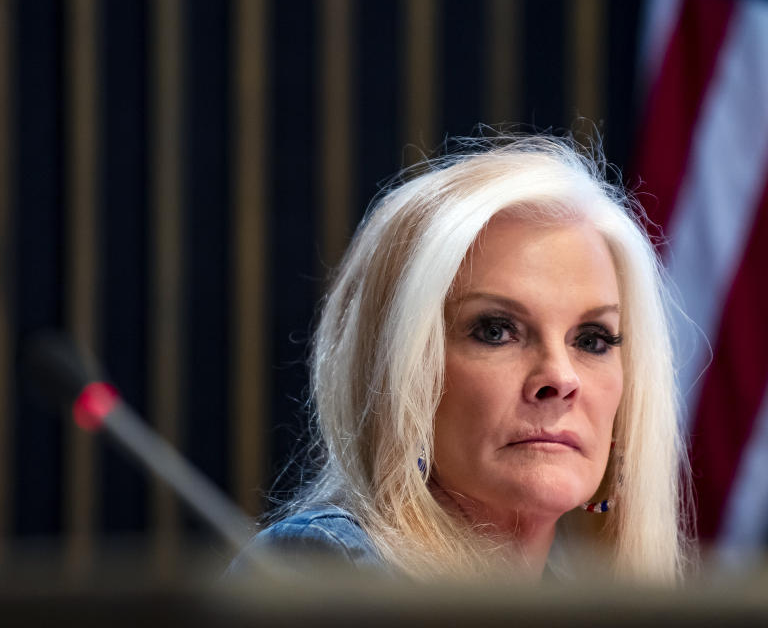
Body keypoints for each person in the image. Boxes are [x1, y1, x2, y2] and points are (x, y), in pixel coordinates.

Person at [241, 134, 693, 584]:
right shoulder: (324, 566)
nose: (560, 376)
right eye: (496, 331)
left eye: (592, 340)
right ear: (405, 373)